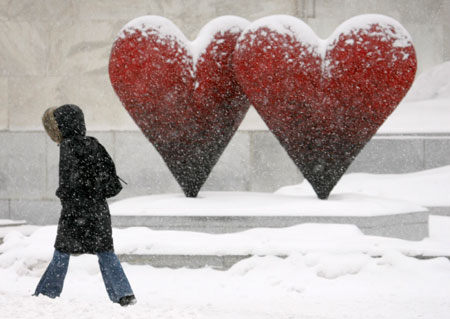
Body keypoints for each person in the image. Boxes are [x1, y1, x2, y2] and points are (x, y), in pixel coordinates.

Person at [34, 104, 136, 307]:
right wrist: (94, 192)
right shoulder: (94, 144)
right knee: (105, 251)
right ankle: (123, 293)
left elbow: (69, 182)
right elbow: (108, 176)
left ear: (63, 125)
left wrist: (65, 198)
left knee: (62, 251)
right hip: (98, 208)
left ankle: (47, 293)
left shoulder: (68, 147)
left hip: (76, 209)